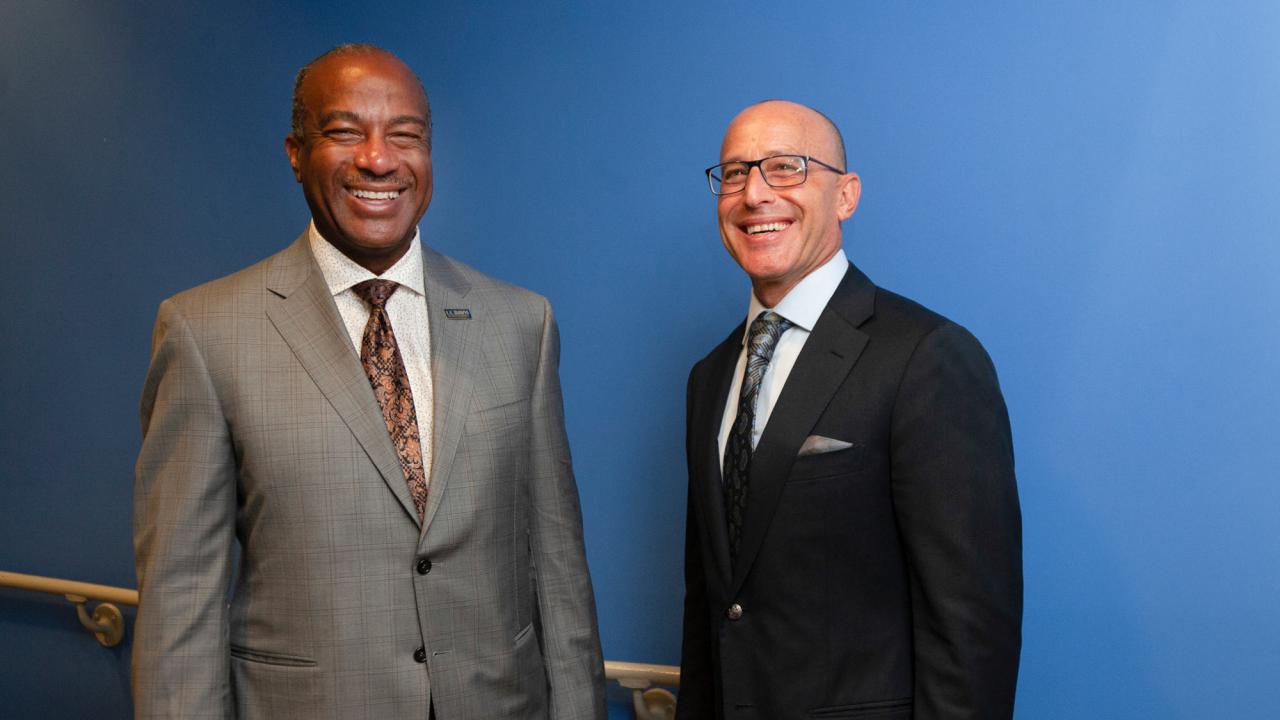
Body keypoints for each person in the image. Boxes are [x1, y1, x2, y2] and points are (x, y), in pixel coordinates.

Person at [132, 44, 605, 720]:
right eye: (345, 132)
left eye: (404, 136)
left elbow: (558, 571)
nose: (378, 158)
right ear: (296, 152)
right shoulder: (206, 333)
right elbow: (182, 596)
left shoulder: (521, 323)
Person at [677, 100, 1022, 720]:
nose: (755, 193)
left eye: (786, 167)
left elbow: (971, 627)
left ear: (846, 195)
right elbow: (711, 607)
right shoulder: (710, 377)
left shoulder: (927, 357)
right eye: (734, 173)